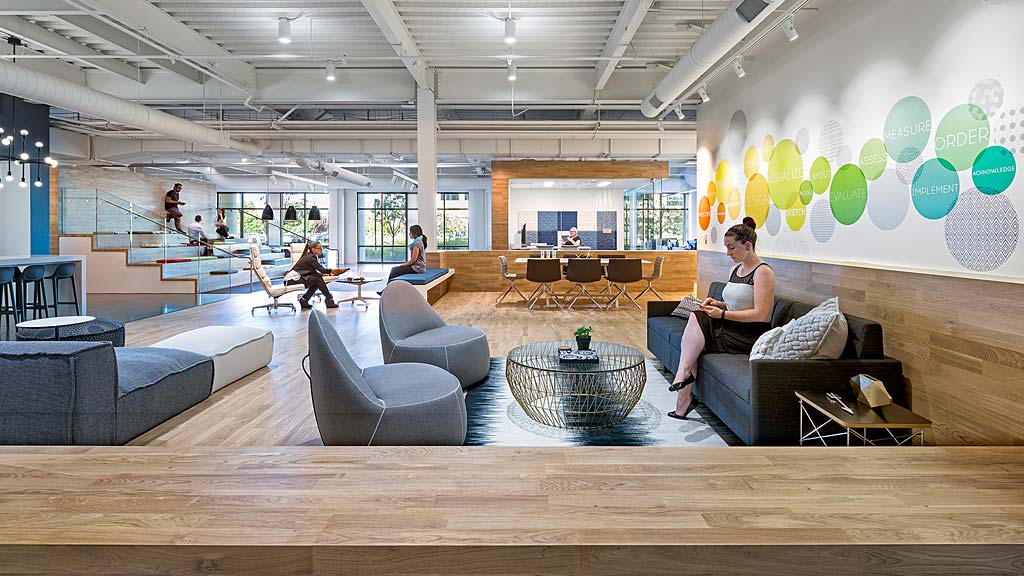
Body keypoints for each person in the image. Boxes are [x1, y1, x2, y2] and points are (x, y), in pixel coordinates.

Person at [668, 216, 776, 420]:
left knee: (695, 331)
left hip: (748, 334)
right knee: (695, 329)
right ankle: (683, 396)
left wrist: (723, 314)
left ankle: (682, 381)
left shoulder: (763, 272)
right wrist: (720, 304)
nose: (728, 252)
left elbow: (761, 314)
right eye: (726, 247)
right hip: (730, 325)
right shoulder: (735, 270)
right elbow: (737, 303)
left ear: (748, 245)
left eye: (731, 247)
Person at [290, 241, 348, 310]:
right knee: (318, 280)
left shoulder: (310, 256)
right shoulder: (311, 258)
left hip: (297, 278)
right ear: (313, 249)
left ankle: (305, 300)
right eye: (319, 248)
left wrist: (327, 274)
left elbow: (313, 271)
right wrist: (336, 270)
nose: (321, 250)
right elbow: (322, 270)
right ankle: (329, 299)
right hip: (293, 279)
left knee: (317, 280)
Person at [378, 224, 427, 295]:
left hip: (417, 268)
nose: (409, 234)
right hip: (418, 267)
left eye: (410, 232)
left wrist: (403, 264)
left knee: (394, 270)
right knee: (396, 270)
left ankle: (386, 291)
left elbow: (413, 260)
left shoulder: (417, 243)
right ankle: (389, 290)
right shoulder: (419, 241)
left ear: (414, 233)